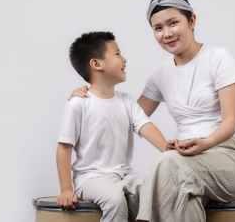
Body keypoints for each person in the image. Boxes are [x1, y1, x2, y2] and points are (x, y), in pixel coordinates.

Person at [70, 0, 235, 222]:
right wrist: (89, 94)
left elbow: (230, 122)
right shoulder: (161, 72)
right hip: (185, 166)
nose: (166, 33)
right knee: (183, 197)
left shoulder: (218, 58)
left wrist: (205, 143)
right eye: (158, 28)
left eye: (173, 23)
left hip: (228, 157)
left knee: (169, 162)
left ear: (192, 21)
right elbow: (129, 117)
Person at [56, 31, 167, 222]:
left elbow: (146, 127)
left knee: (149, 194)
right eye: (117, 54)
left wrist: (169, 150)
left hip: (125, 175)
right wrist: (66, 188)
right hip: (91, 179)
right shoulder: (78, 104)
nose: (124, 59)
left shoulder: (127, 102)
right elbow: (64, 148)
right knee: (115, 200)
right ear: (96, 64)